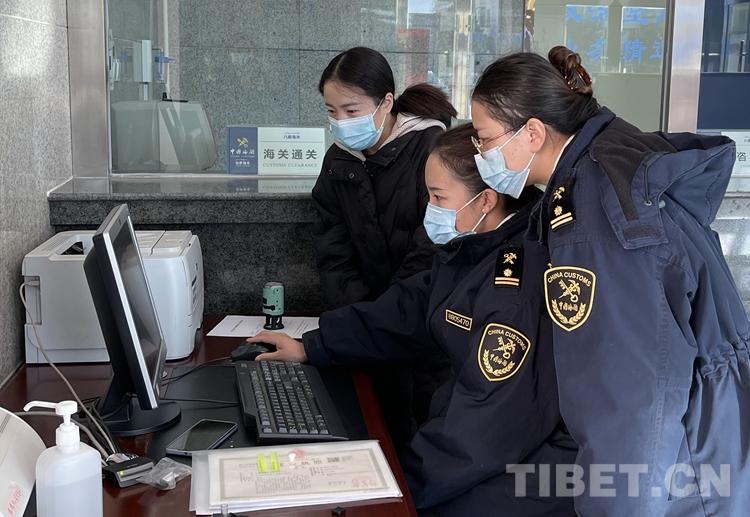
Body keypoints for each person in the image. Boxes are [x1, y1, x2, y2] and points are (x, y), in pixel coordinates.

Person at [470, 46, 748, 516]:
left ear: (532, 132)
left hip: (685, 470)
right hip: (712, 434)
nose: (481, 154)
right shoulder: (610, 154)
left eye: (483, 139)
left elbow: (630, 401)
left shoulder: (594, 223)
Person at [249, 124, 577, 516]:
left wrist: (395, 484)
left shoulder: (515, 285)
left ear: (486, 201)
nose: (430, 211)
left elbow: (485, 422)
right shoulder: (475, 251)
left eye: (439, 197)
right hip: (484, 444)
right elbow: (406, 311)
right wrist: (312, 346)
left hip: (533, 468)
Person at [314, 47, 458, 450]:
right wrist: (364, 321)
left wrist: (387, 318)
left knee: (426, 448)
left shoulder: (431, 149)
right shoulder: (337, 162)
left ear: (386, 103)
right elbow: (333, 251)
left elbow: (432, 248)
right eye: (331, 111)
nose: (341, 122)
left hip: (427, 334)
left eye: (352, 110)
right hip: (369, 336)